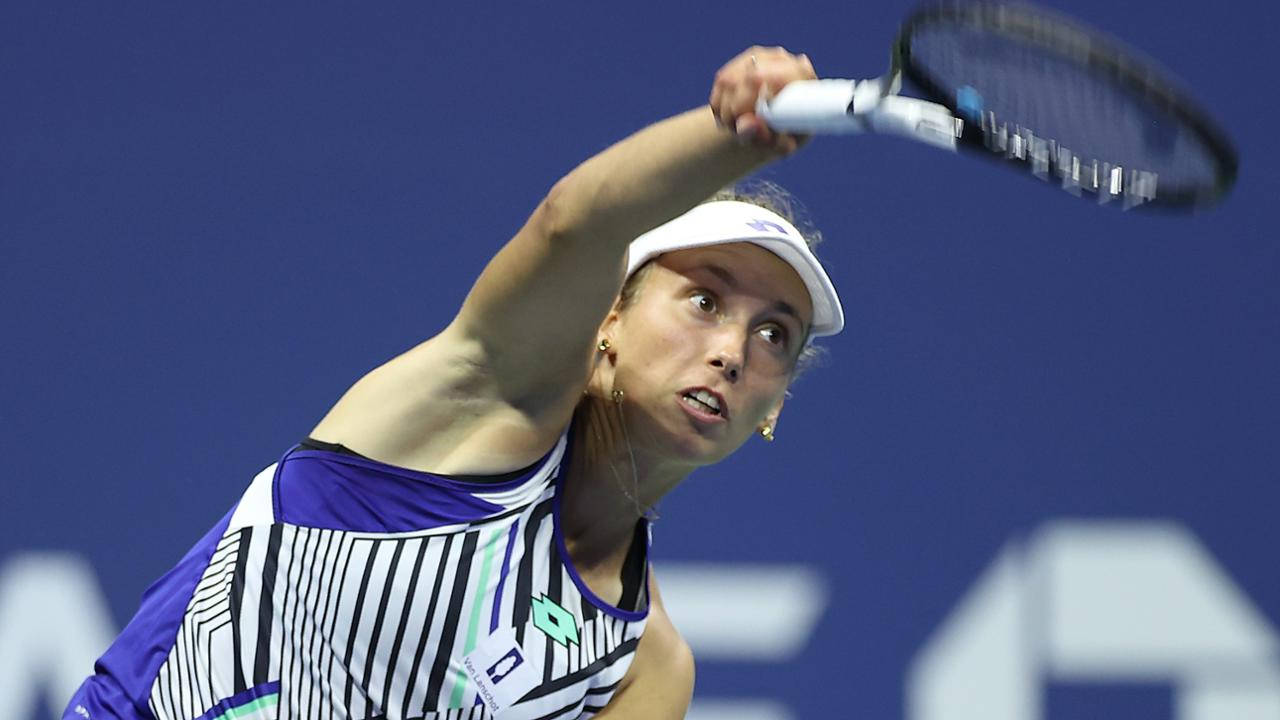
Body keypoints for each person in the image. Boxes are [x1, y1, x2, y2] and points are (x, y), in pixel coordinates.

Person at [64, 45, 844, 720]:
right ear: (607, 319)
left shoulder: (647, 670)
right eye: (704, 300)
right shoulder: (482, 406)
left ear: (773, 405)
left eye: (774, 334)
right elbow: (572, 223)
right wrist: (730, 135)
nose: (732, 351)